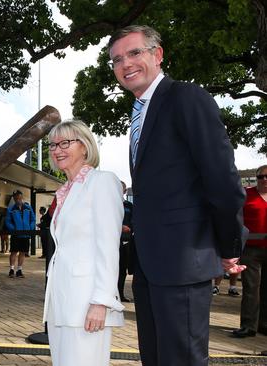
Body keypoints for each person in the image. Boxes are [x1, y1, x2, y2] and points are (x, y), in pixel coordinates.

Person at [108, 25, 246, 365]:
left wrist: (228, 246)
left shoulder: (185, 97)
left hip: (183, 263)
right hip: (149, 264)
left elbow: (222, 179)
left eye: (134, 53)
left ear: (158, 54)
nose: (125, 64)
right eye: (116, 59)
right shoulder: (139, 111)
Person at [41, 120, 125, 366]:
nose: (57, 149)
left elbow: (108, 247)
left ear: (85, 147)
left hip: (87, 302)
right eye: (53, 145)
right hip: (61, 300)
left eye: (65, 143)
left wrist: (101, 302)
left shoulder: (103, 182)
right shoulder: (65, 190)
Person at [231, 165, 267, 338]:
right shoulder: (247, 194)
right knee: (251, 287)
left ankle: (263, 324)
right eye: (261, 177)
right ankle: (248, 325)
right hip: (251, 249)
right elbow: (236, 218)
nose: (264, 179)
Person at [5, 190, 35, 278]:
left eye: (19, 197)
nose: (18, 199)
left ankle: (19, 270)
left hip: (25, 234)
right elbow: (7, 221)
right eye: (16, 198)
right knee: (13, 252)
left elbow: (33, 219)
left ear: (22, 197)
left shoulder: (28, 208)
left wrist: (30, 227)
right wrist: (13, 229)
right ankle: (11, 270)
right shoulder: (11, 209)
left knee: (22, 252)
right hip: (16, 234)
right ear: (14, 199)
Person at [119, 181, 133, 302]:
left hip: (126, 241)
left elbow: (134, 220)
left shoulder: (129, 205)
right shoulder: (108, 204)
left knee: (123, 270)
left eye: (121, 188)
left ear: (124, 191)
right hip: (112, 242)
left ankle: (120, 294)